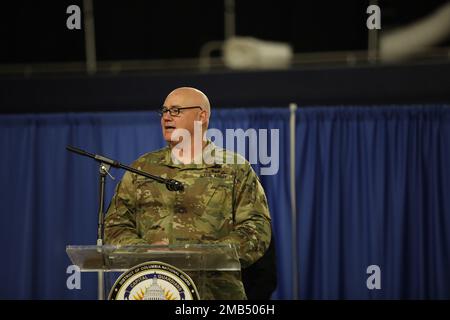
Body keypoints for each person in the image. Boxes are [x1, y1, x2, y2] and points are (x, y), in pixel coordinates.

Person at [104, 87, 273, 299]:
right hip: (154, 288)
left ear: (201, 116)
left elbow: (257, 228)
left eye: (176, 110)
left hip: (215, 293)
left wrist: (206, 255)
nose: (166, 116)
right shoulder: (143, 168)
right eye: (164, 111)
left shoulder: (234, 168)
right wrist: (145, 251)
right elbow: (114, 226)